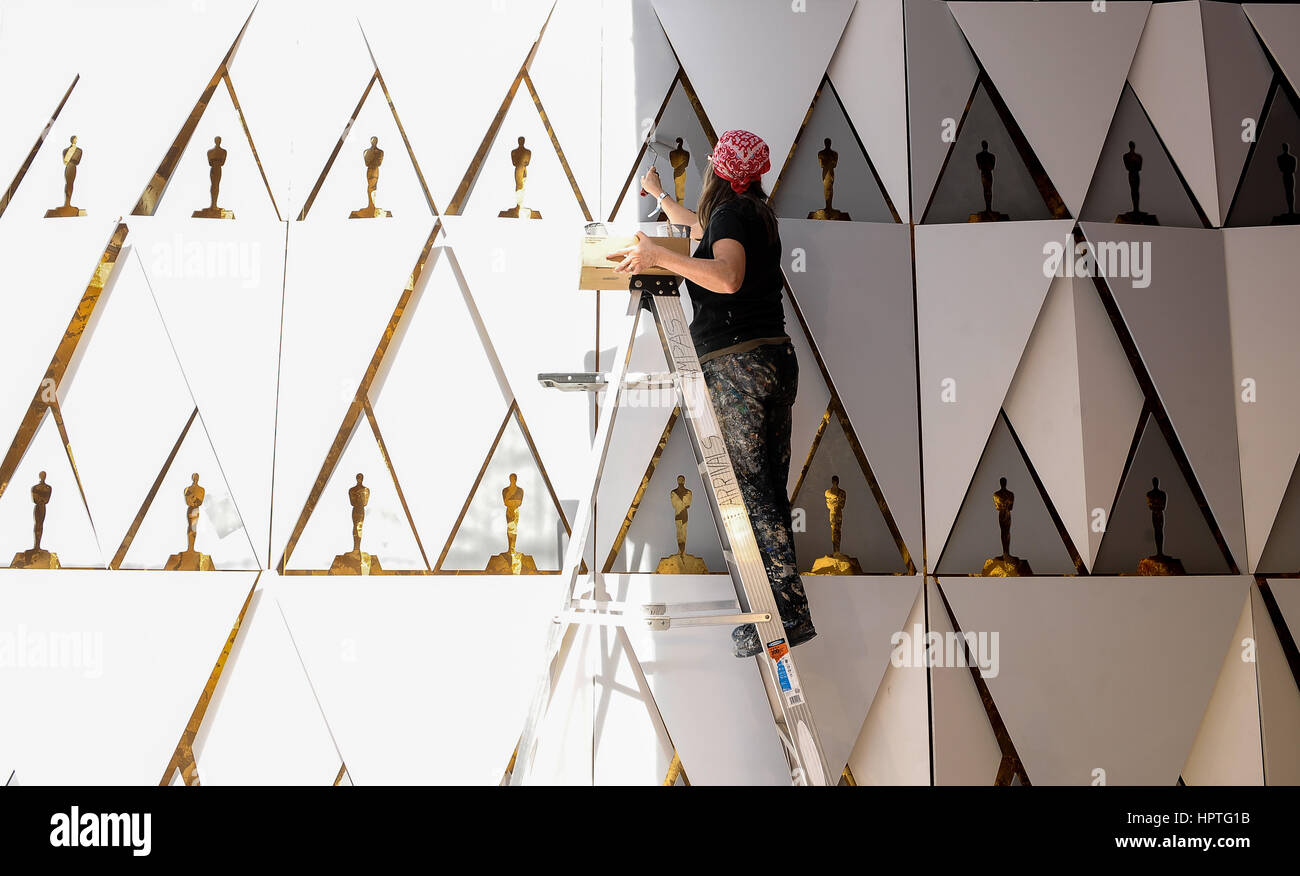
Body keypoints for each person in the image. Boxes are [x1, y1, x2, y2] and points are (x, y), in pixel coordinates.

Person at [611, 129, 815, 658]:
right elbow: (698, 227)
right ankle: (788, 611)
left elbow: (724, 277)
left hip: (738, 365)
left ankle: (781, 615)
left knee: (752, 495)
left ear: (718, 169)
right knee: (768, 487)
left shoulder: (730, 218)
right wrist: (659, 198)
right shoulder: (751, 214)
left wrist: (656, 256)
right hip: (773, 360)